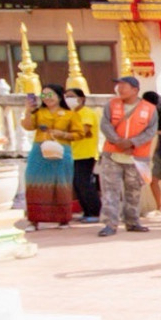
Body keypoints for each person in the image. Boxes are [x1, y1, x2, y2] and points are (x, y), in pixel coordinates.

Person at [97, 75, 156, 236]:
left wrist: (132, 143)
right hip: (112, 155)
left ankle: (132, 221)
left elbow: (150, 131)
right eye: (119, 86)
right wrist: (118, 142)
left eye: (124, 86)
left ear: (135, 90)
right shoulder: (111, 105)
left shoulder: (150, 108)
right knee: (110, 190)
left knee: (134, 190)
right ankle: (110, 224)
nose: (120, 89)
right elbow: (105, 125)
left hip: (137, 156)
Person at [19, 86, 78, 229]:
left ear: (59, 96)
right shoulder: (38, 112)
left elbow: (78, 134)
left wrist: (61, 134)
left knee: (61, 184)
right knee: (34, 182)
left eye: (51, 94)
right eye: (44, 95)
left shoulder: (70, 114)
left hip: (62, 150)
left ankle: (63, 219)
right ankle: (34, 220)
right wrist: (28, 110)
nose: (47, 97)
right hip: (39, 150)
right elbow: (28, 126)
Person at [62, 87, 101, 221]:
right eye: (66, 96)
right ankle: (87, 212)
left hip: (86, 154)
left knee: (85, 184)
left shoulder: (86, 113)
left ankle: (95, 212)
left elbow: (83, 132)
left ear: (82, 99)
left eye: (71, 96)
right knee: (77, 185)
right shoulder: (69, 114)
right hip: (73, 154)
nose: (68, 99)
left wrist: (62, 134)